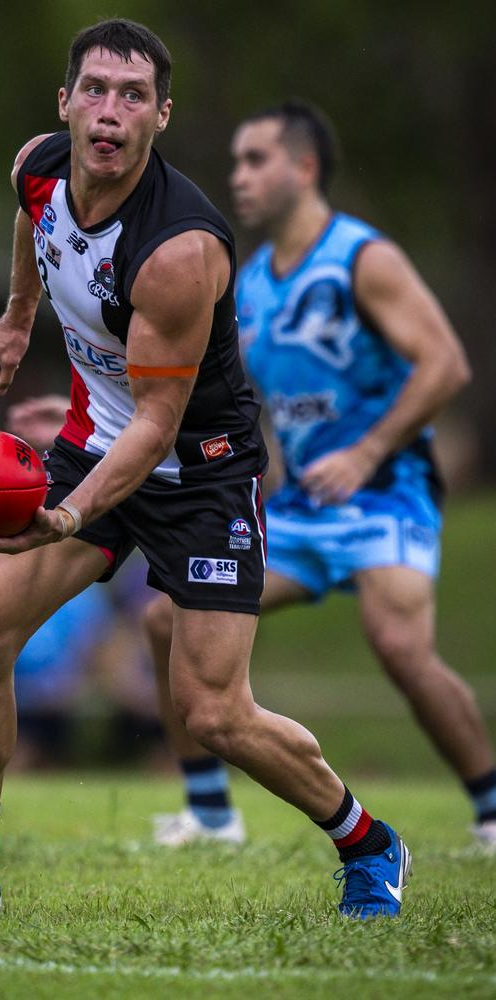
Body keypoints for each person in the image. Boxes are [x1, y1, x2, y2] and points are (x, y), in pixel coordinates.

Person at [0, 23, 409, 919]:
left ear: (161, 116)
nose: (110, 112)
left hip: (197, 473)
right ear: (65, 103)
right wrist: (17, 317)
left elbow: (158, 426)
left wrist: (68, 514)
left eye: (134, 97)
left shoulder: (178, 251)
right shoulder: (38, 168)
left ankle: (370, 844)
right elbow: (33, 223)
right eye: (95, 89)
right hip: (92, 444)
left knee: (213, 714)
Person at [144, 100, 496, 852]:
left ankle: (492, 810)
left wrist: (366, 452)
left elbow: (446, 365)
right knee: (164, 618)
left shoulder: (361, 259)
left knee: (401, 648)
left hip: (387, 495)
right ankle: (211, 815)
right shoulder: (250, 285)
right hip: (302, 507)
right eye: (235, 161)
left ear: (304, 169)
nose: (238, 176)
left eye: (256, 160)